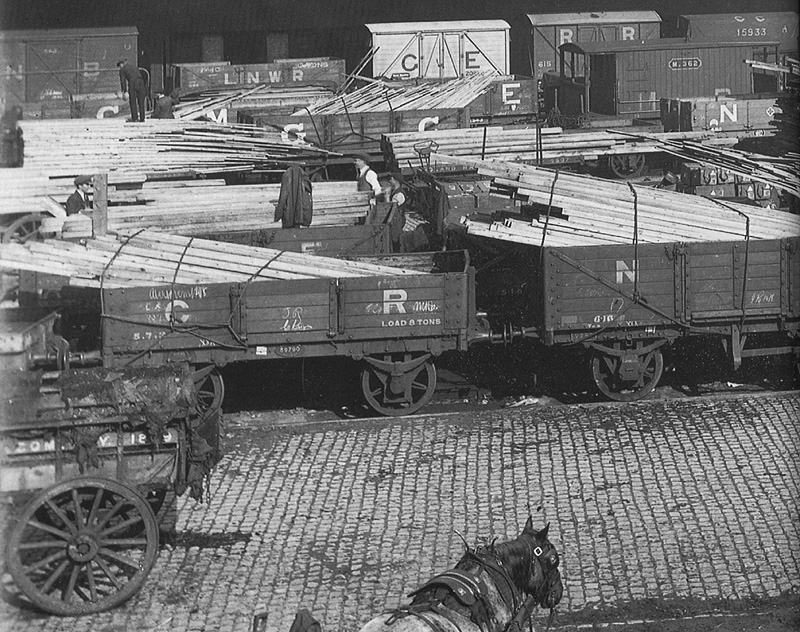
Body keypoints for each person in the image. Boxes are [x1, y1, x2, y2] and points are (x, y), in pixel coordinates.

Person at [274, 164, 313, 228]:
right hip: (300, 214)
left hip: (289, 214)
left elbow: (283, 196)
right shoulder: (304, 176)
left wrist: (278, 214)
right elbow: (308, 194)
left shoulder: (286, 176)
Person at [117, 58, 147, 122]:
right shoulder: (133, 66)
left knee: (133, 101)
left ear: (121, 64)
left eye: (119, 65)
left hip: (133, 82)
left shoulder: (122, 69)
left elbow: (123, 81)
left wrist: (124, 91)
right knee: (141, 101)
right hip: (141, 82)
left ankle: (134, 117)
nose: (119, 67)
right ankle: (142, 118)